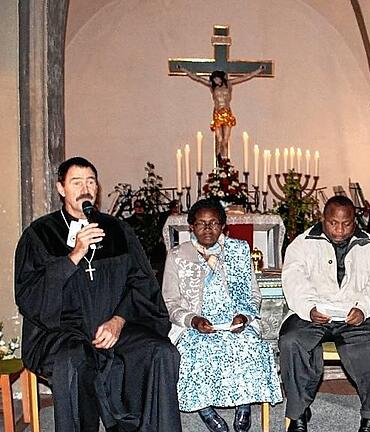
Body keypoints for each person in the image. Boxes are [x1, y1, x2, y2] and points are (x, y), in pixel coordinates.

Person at [14, 156, 181, 432]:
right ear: (61, 188)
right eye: (76, 182)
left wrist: (118, 320)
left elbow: (141, 284)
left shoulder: (117, 229)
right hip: (65, 331)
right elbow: (30, 294)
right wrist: (75, 254)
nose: (85, 188)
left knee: (161, 352)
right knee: (73, 362)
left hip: (114, 326)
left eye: (91, 181)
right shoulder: (40, 234)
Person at [162, 198, 282, 432]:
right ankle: (205, 409)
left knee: (248, 345)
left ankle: (244, 403)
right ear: (191, 227)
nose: (208, 229)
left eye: (214, 223)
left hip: (234, 320)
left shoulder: (239, 250)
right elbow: (171, 301)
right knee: (193, 351)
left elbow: (254, 295)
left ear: (224, 226)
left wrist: (244, 317)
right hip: (196, 323)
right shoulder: (178, 255)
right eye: (201, 224)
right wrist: (193, 320)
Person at [280, 195, 370, 432]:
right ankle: (298, 413)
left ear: (355, 221)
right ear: (323, 219)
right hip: (312, 313)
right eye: (333, 223)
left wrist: (363, 308)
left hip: (356, 315)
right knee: (291, 341)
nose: (340, 230)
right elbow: (292, 280)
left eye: (347, 223)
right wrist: (309, 308)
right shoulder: (301, 244)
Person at [182, 68, 264, 157]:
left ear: (221, 78)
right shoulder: (212, 86)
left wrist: (259, 70)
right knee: (219, 139)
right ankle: (219, 161)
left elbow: (245, 77)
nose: (215, 81)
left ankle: (225, 161)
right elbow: (197, 78)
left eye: (217, 79)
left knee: (225, 140)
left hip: (227, 112)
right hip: (217, 113)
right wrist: (184, 70)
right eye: (214, 79)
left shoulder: (229, 84)